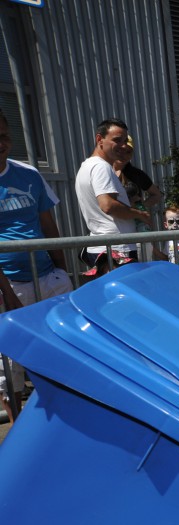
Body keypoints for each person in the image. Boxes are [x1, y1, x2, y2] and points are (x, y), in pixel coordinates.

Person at [0, 110, 73, 421]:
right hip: (10, 283)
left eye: (3, 135)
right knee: (9, 364)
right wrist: (8, 294)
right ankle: (18, 431)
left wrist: (62, 270)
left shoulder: (29, 174)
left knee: (61, 347)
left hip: (46, 275)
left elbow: (47, 222)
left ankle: (63, 418)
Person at [75, 118, 152, 275]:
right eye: (117, 140)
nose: (123, 146)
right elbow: (108, 205)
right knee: (124, 297)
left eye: (125, 141)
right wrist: (139, 214)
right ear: (99, 139)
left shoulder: (88, 166)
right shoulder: (101, 167)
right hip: (116, 249)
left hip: (106, 247)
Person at [114, 135, 163, 210]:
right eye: (121, 150)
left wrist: (141, 205)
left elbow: (156, 195)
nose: (124, 155)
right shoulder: (103, 171)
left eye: (128, 152)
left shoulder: (136, 174)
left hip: (131, 219)